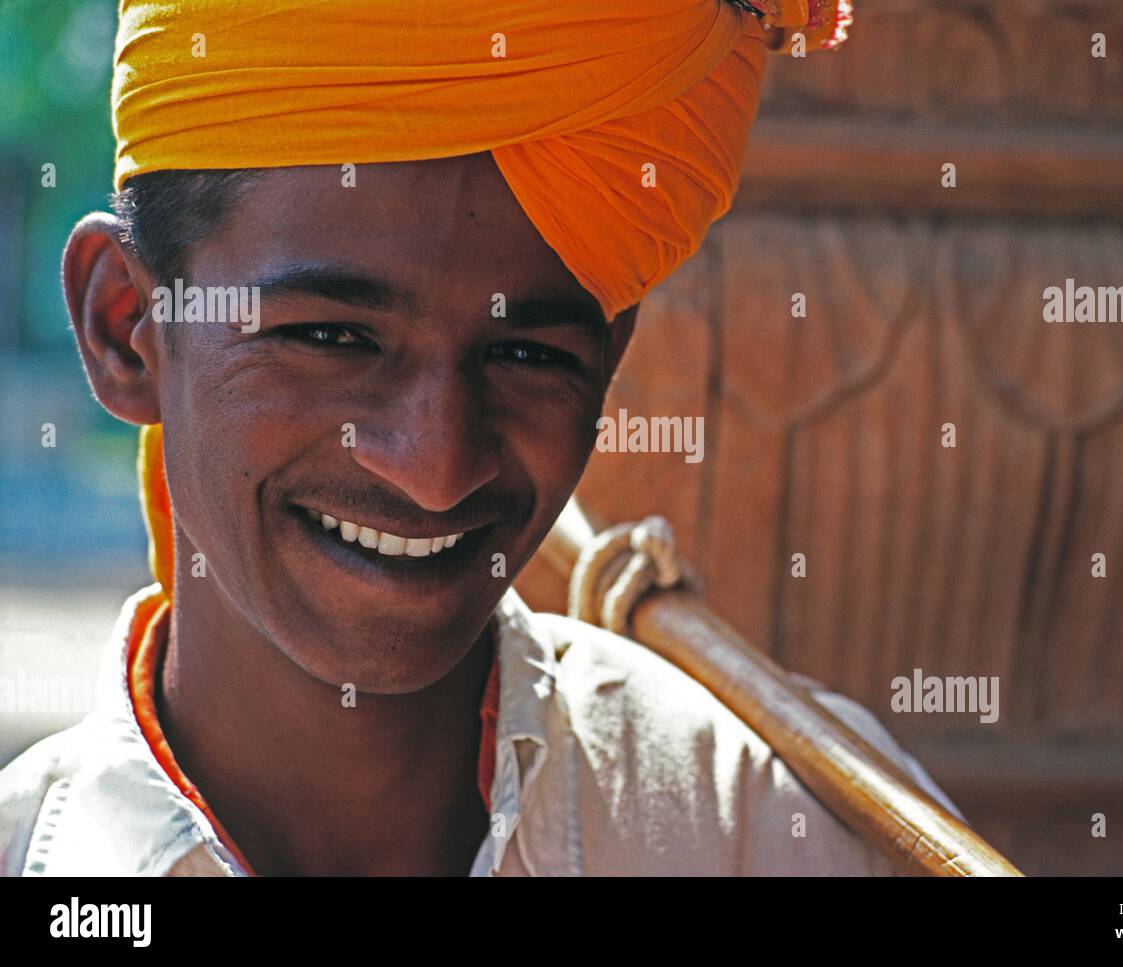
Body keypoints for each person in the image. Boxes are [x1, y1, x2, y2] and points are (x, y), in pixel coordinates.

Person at [0, 0, 960, 876]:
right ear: (124, 325)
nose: (434, 466)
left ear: (605, 364)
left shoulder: (783, 833)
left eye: (527, 355)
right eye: (333, 338)